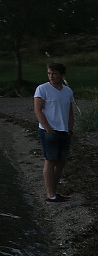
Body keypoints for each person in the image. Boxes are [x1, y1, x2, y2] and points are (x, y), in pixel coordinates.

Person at [34, 62, 75, 202]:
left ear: (62, 75)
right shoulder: (42, 89)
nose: (51, 76)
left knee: (61, 162)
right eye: (49, 73)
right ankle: (50, 194)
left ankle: (54, 191)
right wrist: (47, 128)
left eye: (54, 73)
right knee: (50, 161)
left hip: (64, 131)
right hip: (49, 132)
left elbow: (70, 112)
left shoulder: (68, 91)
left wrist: (69, 128)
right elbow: (38, 110)